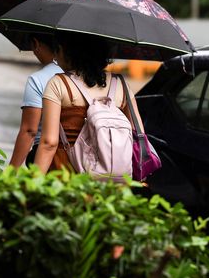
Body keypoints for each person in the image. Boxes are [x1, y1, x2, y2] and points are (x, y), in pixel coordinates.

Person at [33, 32, 143, 174]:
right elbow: (137, 133)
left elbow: (49, 143)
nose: (55, 57)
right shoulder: (121, 85)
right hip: (113, 179)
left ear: (66, 51)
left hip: (67, 174)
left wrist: (33, 182)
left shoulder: (58, 83)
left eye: (57, 50)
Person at [9, 34, 62, 167]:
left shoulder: (38, 79)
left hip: (46, 159)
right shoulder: (86, 76)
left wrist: (11, 172)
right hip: (82, 158)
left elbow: (29, 131)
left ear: (35, 43)